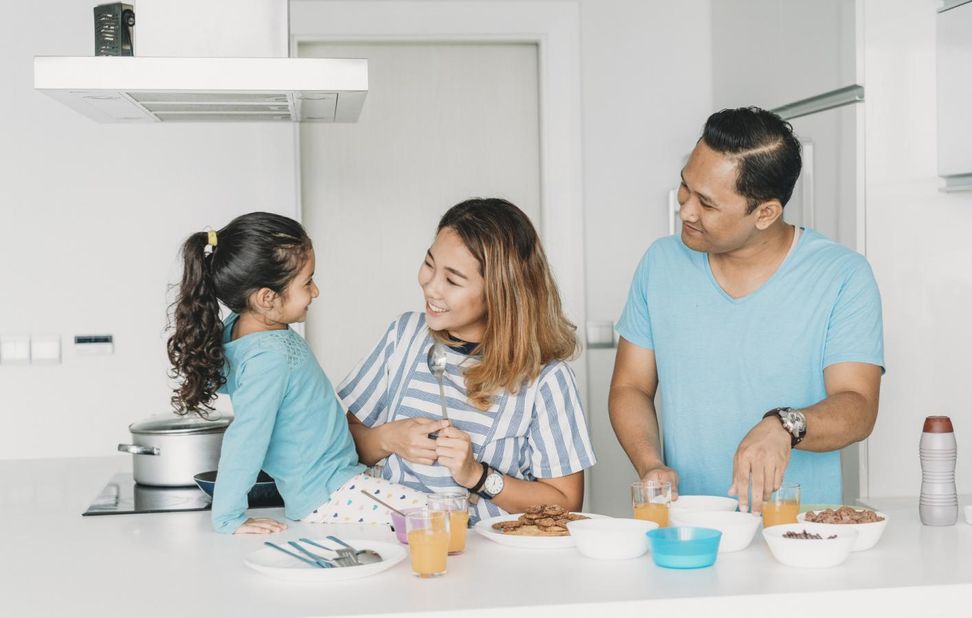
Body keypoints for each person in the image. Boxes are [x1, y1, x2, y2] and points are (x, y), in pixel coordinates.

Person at [609, 107, 884, 511]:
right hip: (691, 526)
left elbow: (858, 405)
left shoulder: (842, 275)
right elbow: (630, 386)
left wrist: (786, 425)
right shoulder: (660, 263)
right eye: (686, 188)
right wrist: (651, 465)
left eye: (707, 203)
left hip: (799, 533)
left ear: (766, 213)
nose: (685, 210)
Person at [167, 212, 427, 534]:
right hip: (329, 493)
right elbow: (246, 439)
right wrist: (227, 516)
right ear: (266, 298)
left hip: (341, 478)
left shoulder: (243, 330)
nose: (315, 291)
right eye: (307, 282)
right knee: (436, 514)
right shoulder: (270, 358)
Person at [340, 198, 596, 523]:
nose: (430, 286)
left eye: (453, 280)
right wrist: (388, 438)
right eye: (429, 264)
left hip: (493, 562)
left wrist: (478, 475)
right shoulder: (403, 335)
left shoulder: (546, 379)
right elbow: (338, 444)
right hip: (399, 545)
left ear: (500, 293)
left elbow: (566, 503)